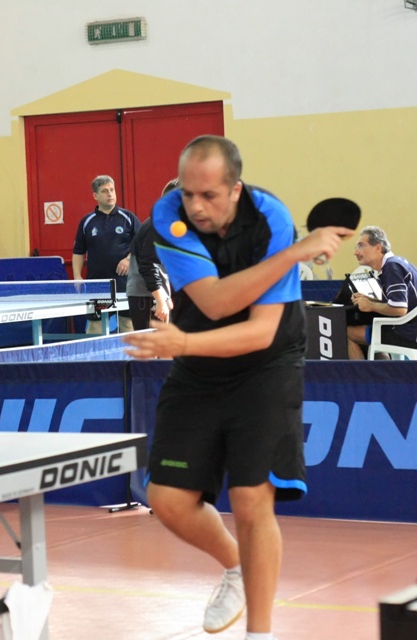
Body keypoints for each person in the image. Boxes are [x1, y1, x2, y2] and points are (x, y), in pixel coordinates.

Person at [122, 135, 351, 640]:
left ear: (235, 190)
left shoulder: (270, 219)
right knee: (166, 498)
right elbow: (216, 303)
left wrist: (182, 343)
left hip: (266, 363)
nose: (196, 207)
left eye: (209, 195)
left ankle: (259, 634)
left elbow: (259, 332)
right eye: (188, 193)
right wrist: (293, 255)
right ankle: (236, 566)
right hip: (200, 355)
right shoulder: (168, 217)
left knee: (251, 499)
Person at [72, 175, 140, 333]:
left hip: (125, 283)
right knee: (95, 325)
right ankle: (93, 351)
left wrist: (128, 259)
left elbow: (141, 245)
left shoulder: (128, 218)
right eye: (104, 191)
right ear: (95, 196)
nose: (110, 194)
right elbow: (78, 252)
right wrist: (77, 276)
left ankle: (127, 351)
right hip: (98, 285)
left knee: (127, 323)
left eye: (112, 190)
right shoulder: (87, 222)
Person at [346, 226, 417, 359]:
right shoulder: (395, 262)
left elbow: (400, 309)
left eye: (361, 246)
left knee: (346, 333)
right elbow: (397, 302)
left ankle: (364, 373)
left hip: (408, 332)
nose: (355, 252)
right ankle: (382, 370)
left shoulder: (392, 267)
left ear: (378, 247)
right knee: (371, 332)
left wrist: (371, 306)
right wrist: (371, 300)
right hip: (409, 328)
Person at [126, 178, 177, 330]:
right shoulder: (156, 226)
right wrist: (160, 300)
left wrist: (166, 296)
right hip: (145, 296)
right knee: (150, 344)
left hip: (154, 294)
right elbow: (148, 265)